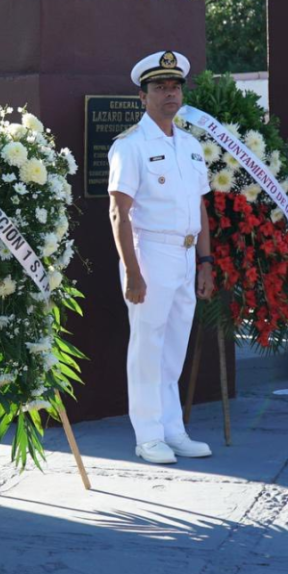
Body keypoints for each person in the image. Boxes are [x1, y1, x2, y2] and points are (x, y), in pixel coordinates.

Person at [108, 50, 215, 465]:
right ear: (143, 95)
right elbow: (119, 212)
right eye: (159, 86)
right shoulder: (131, 146)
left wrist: (205, 263)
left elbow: (201, 209)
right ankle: (148, 434)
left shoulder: (189, 145)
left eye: (175, 86)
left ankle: (173, 428)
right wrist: (133, 273)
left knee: (174, 347)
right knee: (147, 346)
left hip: (187, 255)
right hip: (149, 251)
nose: (170, 93)